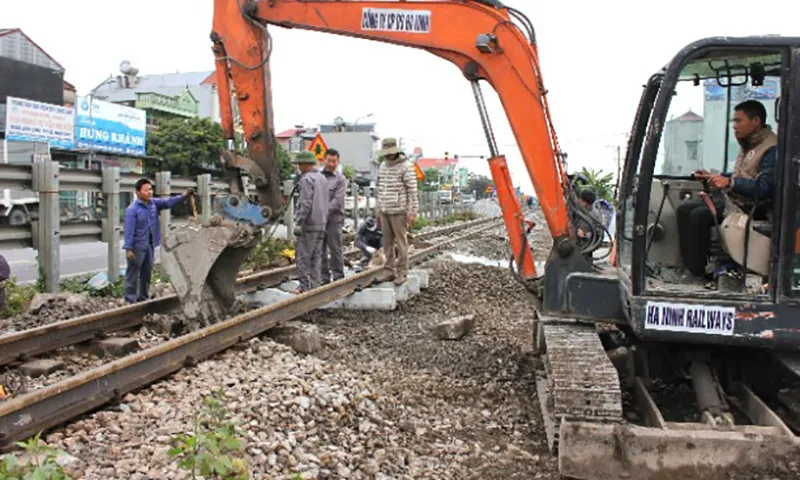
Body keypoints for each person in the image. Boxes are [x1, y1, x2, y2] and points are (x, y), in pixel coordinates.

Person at [677, 100, 778, 277]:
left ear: (756, 121)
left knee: (698, 216)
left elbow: (765, 187)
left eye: (739, 121)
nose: (734, 126)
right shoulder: (749, 143)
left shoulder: (771, 148)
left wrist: (730, 183)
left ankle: (697, 273)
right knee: (684, 210)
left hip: (754, 208)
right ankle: (689, 267)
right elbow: (744, 173)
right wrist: (714, 176)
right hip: (737, 201)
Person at [123, 179, 193, 303]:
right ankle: (130, 299)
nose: (150, 192)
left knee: (147, 272)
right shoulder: (132, 210)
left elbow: (168, 202)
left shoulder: (153, 204)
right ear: (138, 192)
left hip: (149, 245)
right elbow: (129, 230)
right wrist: (128, 249)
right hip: (137, 246)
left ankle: (143, 297)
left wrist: (183, 197)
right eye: (146, 190)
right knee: (133, 273)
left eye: (151, 189)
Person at [376, 137, 419, 285]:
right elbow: (380, 189)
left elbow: (412, 190)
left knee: (401, 243)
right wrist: (379, 210)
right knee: (386, 243)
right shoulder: (382, 166)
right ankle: (388, 271)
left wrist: (412, 212)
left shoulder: (406, 166)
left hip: (399, 210)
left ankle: (402, 272)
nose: (388, 155)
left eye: (390, 152)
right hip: (385, 210)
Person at [292, 151, 330, 293]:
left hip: (309, 224)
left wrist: (300, 223)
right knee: (317, 256)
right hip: (321, 223)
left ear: (305, 165)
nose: (299, 167)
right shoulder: (323, 179)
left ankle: (303, 286)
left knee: (303, 256)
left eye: (300, 164)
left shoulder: (307, 179)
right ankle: (315, 285)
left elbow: (305, 203)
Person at [320, 149, 347, 285]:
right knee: (319, 248)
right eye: (329, 160)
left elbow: (338, 201)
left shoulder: (340, 179)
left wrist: (322, 211)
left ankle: (338, 277)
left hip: (334, 219)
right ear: (324, 160)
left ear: (338, 161)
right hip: (318, 219)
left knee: (335, 247)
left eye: (334, 161)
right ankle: (323, 278)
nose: (331, 164)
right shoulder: (318, 176)